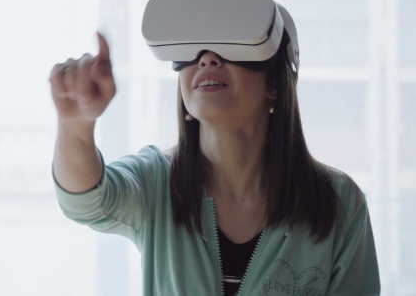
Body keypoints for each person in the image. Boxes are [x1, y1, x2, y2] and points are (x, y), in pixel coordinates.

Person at [49, 31, 380, 296]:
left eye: (232, 44)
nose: (207, 58)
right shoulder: (156, 181)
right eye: (193, 50)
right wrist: (76, 127)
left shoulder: (339, 203)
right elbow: (87, 201)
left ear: (275, 84)